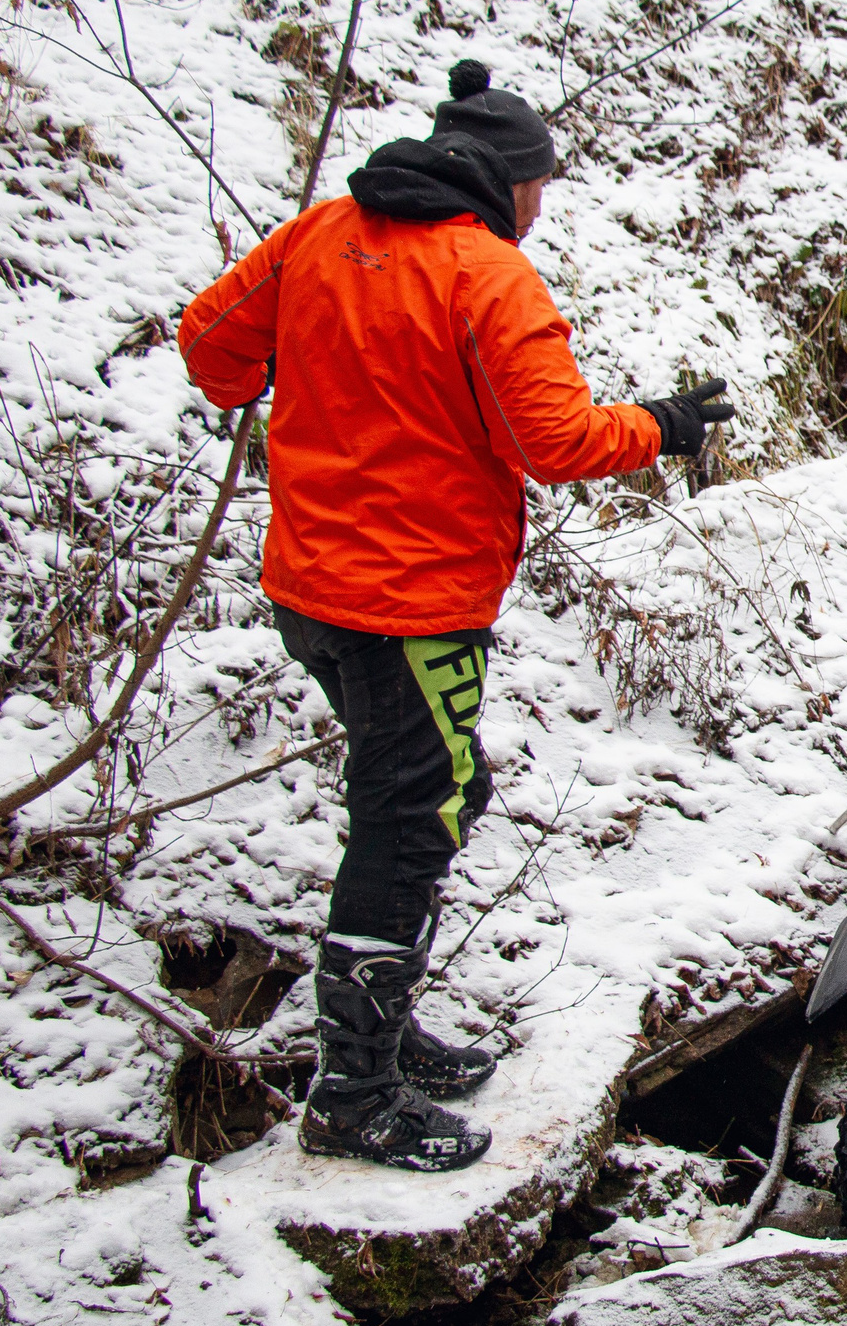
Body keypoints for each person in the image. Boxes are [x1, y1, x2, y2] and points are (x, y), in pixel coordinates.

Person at [178, 61, 735, 1171]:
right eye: (542, 186)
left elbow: (210, 349)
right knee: (411, 818)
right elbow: (557, 443)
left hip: (309, 589)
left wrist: (309, 363)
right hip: (411, 605)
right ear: (506, 181)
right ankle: (354, 1095)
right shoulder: (489, 275)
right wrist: (664, 425)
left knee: (435, 791)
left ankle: (381, 1036)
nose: (543, 206)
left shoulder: (317, 236)